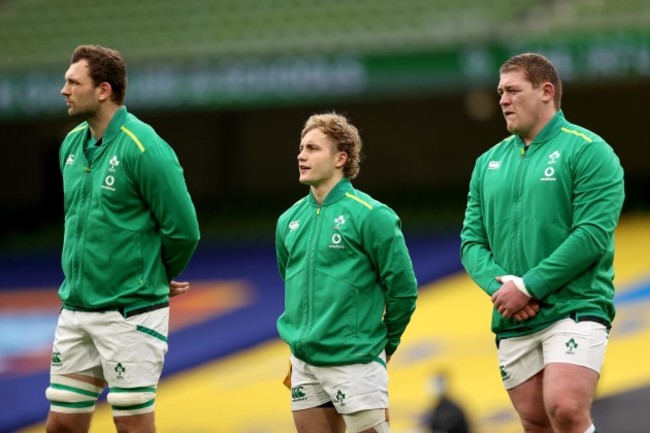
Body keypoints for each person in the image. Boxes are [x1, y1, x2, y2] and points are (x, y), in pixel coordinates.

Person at [460, 52, 624, 433]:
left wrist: (529, 286)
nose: (502, 99)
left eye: (513, 90)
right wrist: (503, 290)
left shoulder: (588, 150)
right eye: (500, 91)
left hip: (575, 305)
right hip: (513, 315)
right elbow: (471, 242)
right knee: (535, 422)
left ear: (546, 91)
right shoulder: (487, 163)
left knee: (565, 409)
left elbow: (591, 236)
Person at [45, 44, 200, 433]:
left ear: (103, 90)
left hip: (129, 315)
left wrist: (154, 275)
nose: (64, 90)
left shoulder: (143, 146)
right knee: (62, 424)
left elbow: (184, 230)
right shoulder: (69, 146)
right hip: (77, 311)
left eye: (72, 82)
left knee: (132, 425)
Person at [275, 112, 418, 433]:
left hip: (355, 360)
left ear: (341, 157)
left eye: (312, 148)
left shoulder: (372, 215)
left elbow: (403, 289)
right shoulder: (288, 221)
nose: (301, 155)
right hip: (304, 363)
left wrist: (384, 345)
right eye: (301, 148)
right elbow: (290, 277)